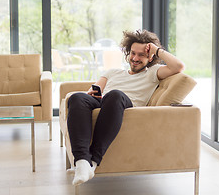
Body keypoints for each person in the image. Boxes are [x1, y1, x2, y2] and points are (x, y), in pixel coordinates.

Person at [67, 29, 185, 186]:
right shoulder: (112, 72)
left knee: (115, 95)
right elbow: (95, 90)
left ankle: (93, 161)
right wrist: (90, 93)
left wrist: (157, 50)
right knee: (76, 97)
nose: (135, 58)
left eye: (141, 55)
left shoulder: (153, 73)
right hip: (105, 102)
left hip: (124, 104)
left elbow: (178, 66)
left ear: (151, 57)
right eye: (133, 53)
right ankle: (82, 162)